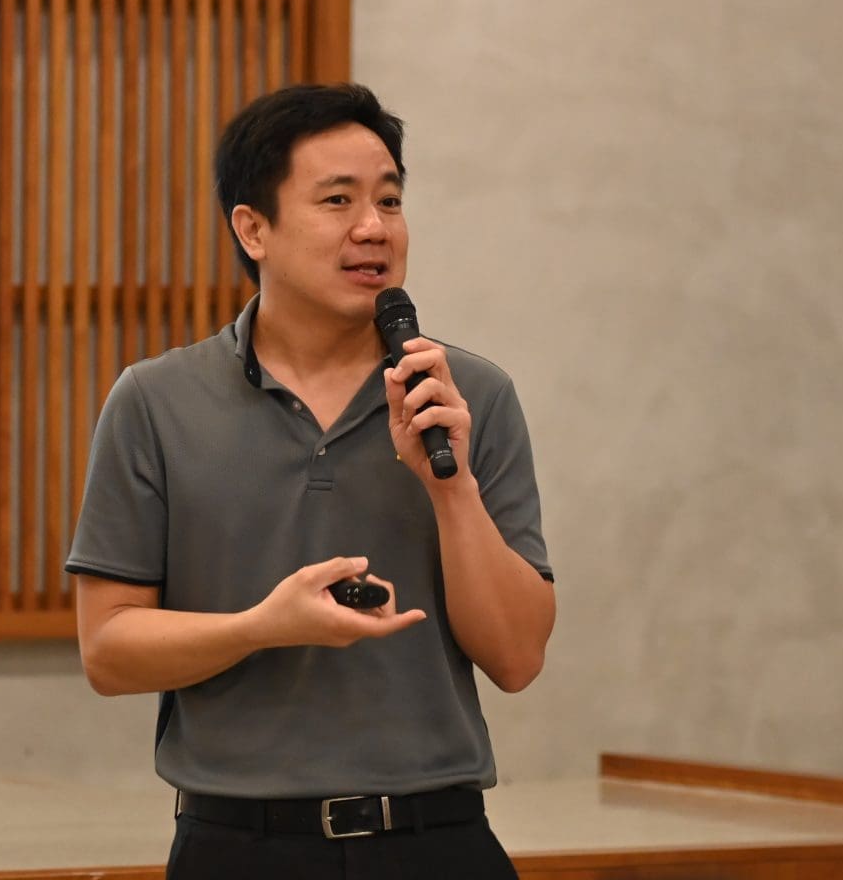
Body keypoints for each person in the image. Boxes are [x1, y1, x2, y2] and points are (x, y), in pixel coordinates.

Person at [65, 83, 555, 879]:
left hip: (438, 840)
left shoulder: (466, 396)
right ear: (252, 228)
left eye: (389, 200)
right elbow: (109, 651)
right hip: (238, 847)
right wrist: (261, 626)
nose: (374, 228)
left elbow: (518, 657)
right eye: (338, 200)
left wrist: (451, 486)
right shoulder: (156, 402)